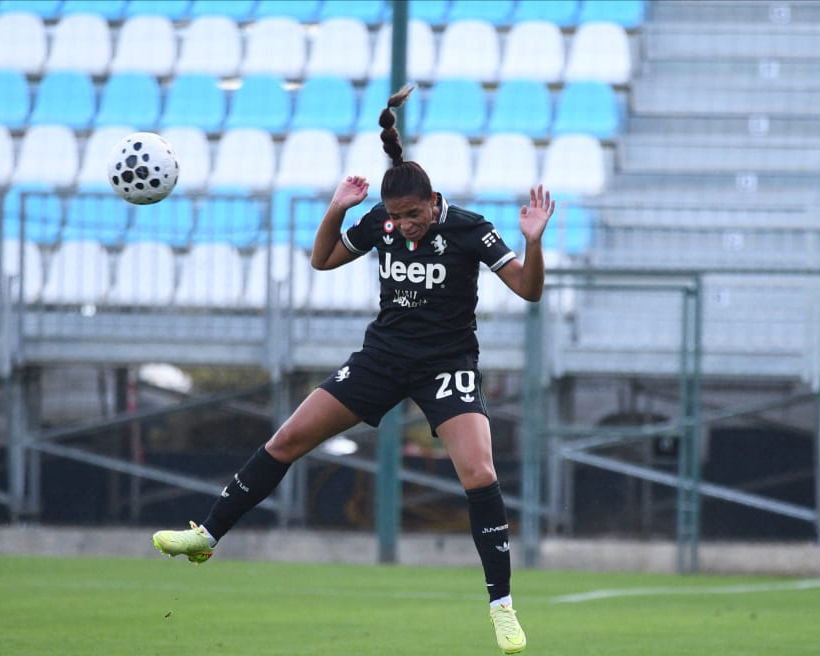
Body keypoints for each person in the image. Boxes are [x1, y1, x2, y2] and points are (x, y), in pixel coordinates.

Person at [152, 85, 554, 655]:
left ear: (433, 201)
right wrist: (339, 207)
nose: (404, 226)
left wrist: (532, 243)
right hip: (382, 359)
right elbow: (323, 258)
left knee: (480, 473)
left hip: (446, 364)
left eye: (412, 215)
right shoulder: (382, 225)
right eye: (395, 217)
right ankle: (206, 535)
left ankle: (503, 608)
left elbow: (529, 290)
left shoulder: (470, 228)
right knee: (288, 438)